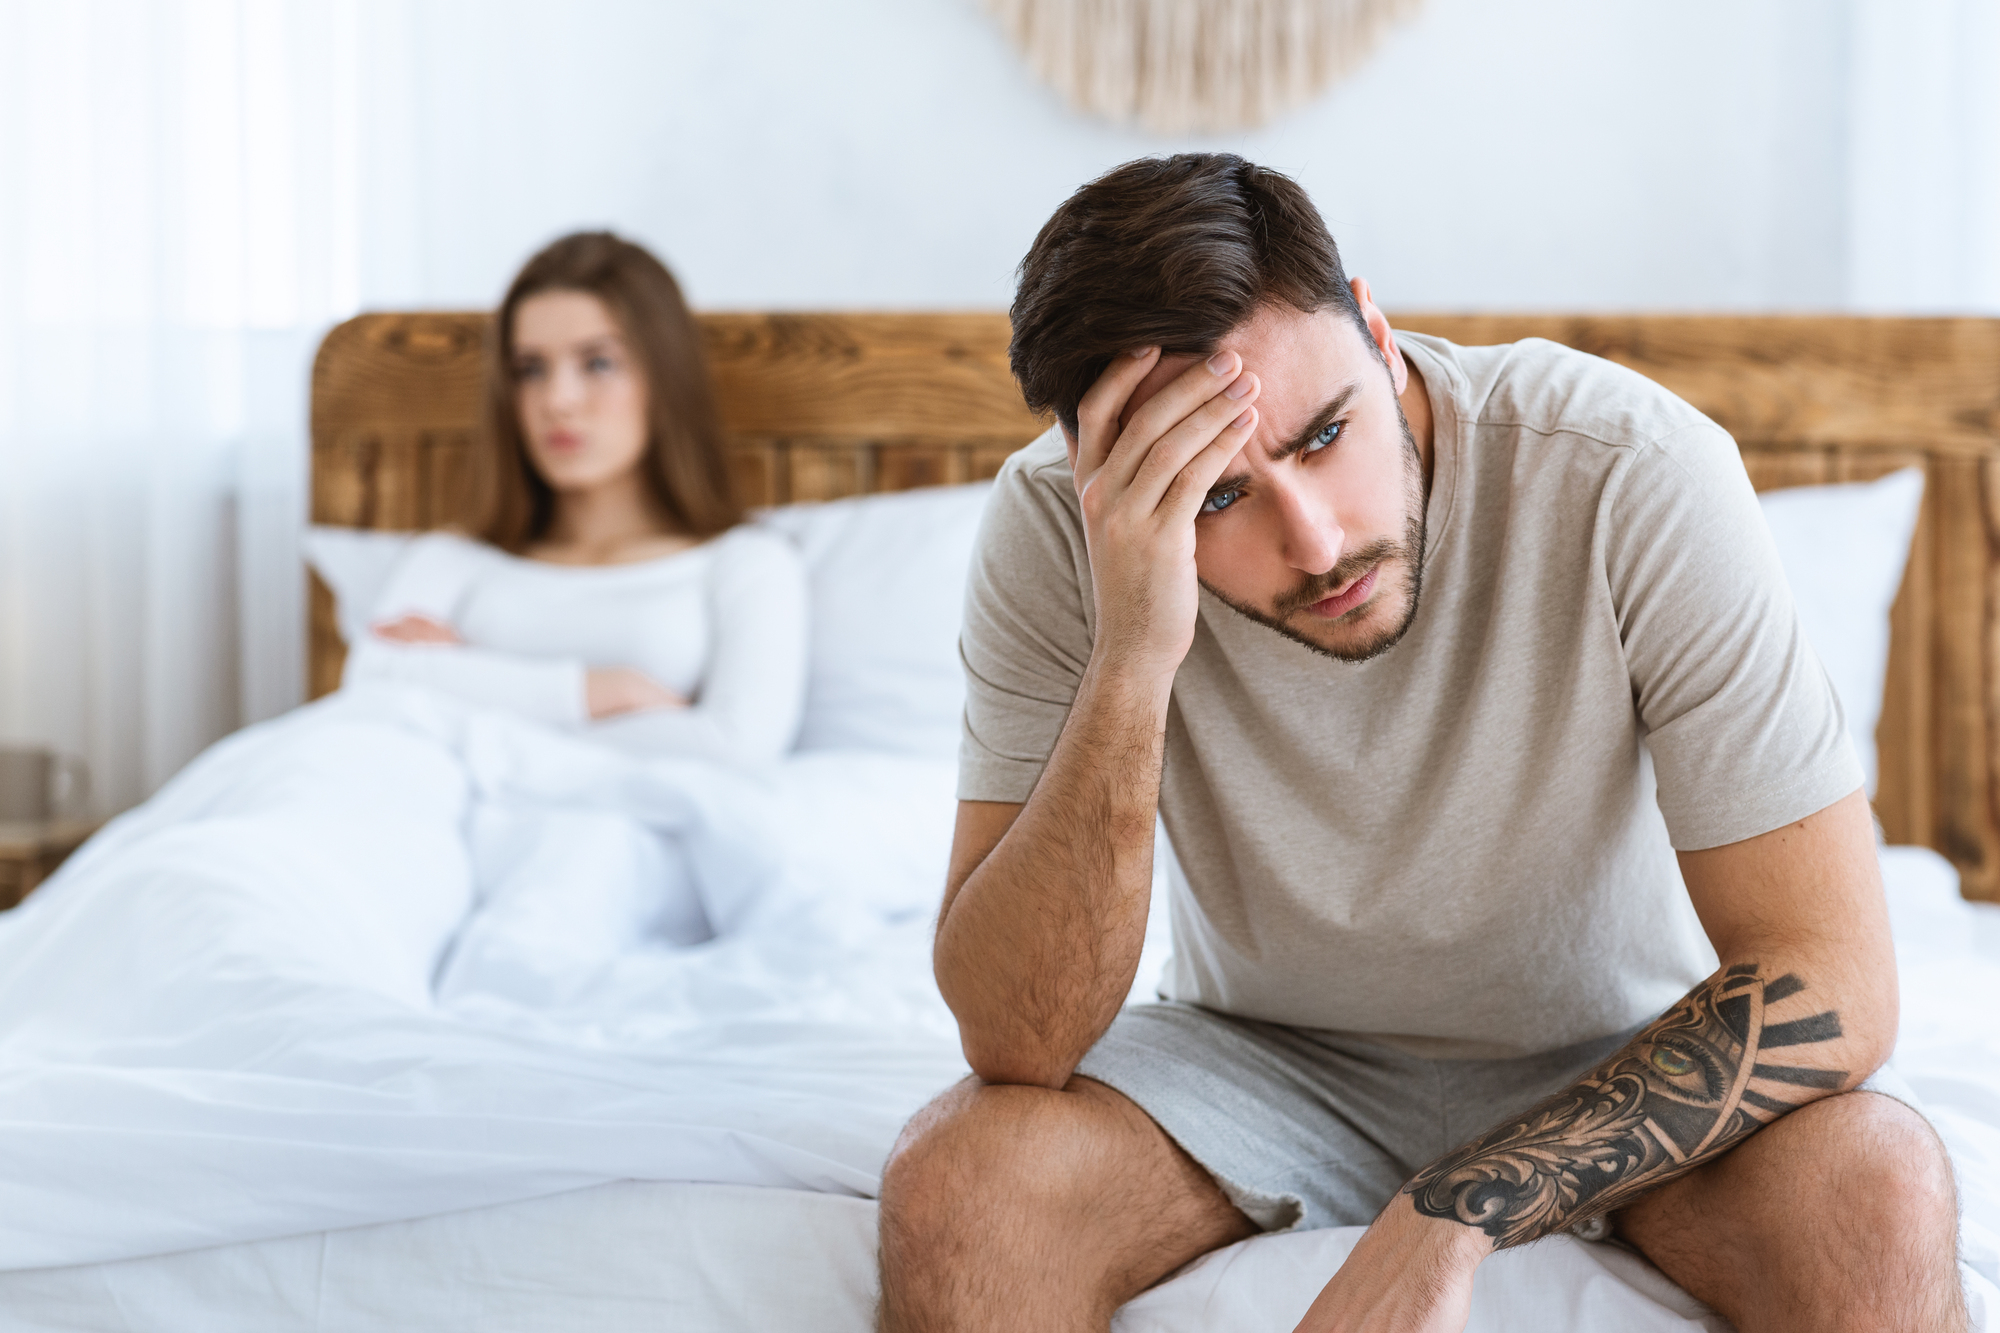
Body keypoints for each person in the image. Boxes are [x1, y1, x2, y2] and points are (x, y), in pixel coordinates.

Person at [877, 155, 1966, 1333]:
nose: (1316, 537)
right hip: (1264, 1063)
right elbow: (1017, 1039)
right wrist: (1134, 650)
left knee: (1876, 1183)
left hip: (1619, 1050)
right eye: (1216, 498)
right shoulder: (1058, 532)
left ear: (1380, 337)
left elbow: (1832, 980)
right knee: (962, 1180)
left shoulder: (1628, 469)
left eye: (1324, 432)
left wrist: (1450, 1211)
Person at [347, 231, 807, 765]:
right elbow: (371, 682)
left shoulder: (745, 563)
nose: (558, 401)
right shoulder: (453, 556)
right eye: (531, 370)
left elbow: (738, 749)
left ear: (665, 379)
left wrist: (465, 686)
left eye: (598, 363)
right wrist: (609, 694)